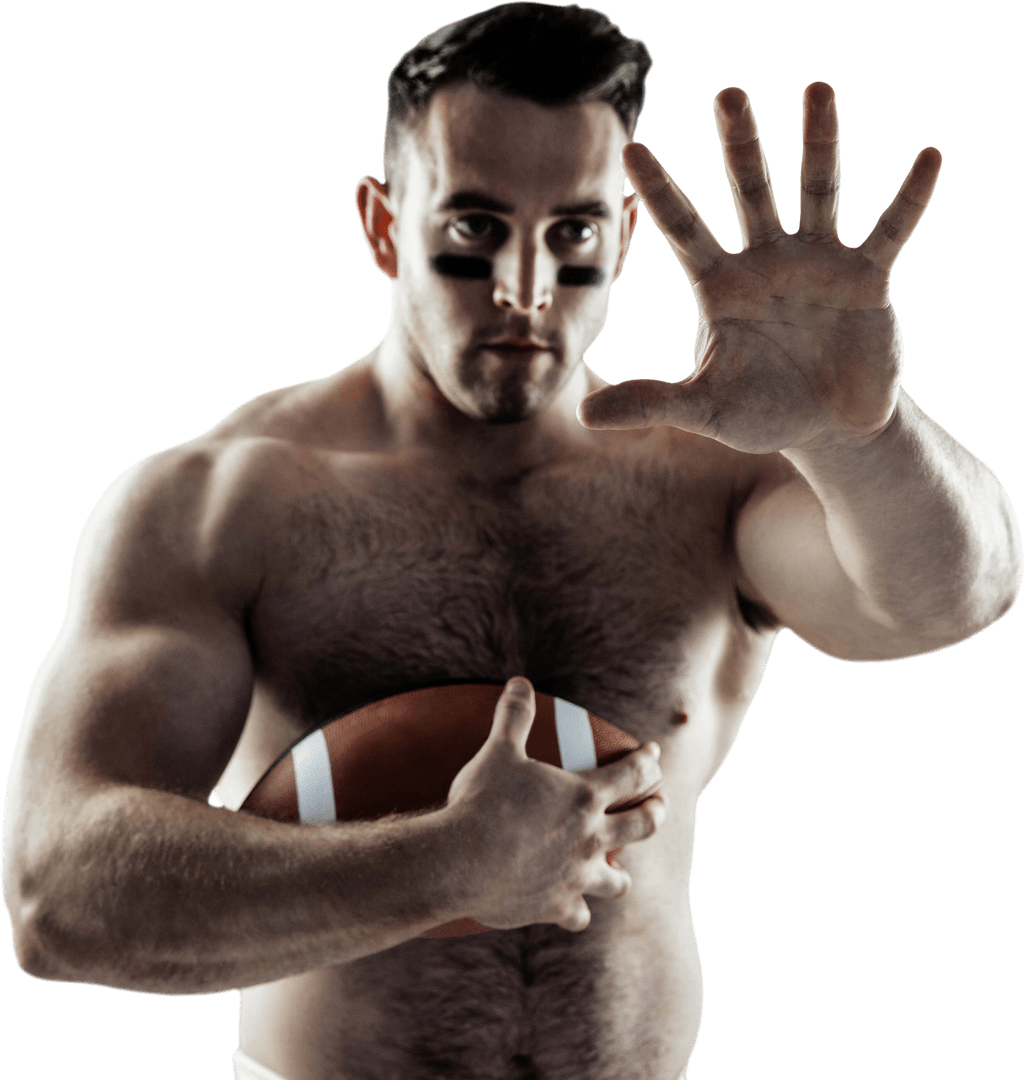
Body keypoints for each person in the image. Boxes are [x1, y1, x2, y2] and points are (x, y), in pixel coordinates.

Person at [2, 3, 1021, 1078]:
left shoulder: (710, 486)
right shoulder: (222, 501)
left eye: (572, 232)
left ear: (625, 236)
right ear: (386, 224)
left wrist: (856, 432)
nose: (523, 290)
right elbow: (56, 896)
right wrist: (438, 868)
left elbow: (953, 596)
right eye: (472, 230)